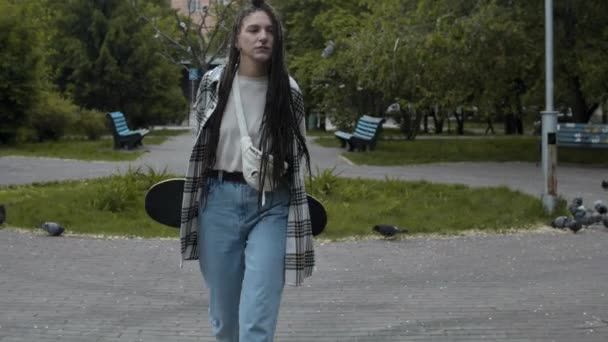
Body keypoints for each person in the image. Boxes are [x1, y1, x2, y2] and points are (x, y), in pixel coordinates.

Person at [179, 0, 315, 341]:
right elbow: (200, 140)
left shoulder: (289, 90)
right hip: (218, 201)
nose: (263, 37)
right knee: (225, 320)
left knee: (257, 317)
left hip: (271, 205)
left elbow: (295, 158)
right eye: (253, 30)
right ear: (237, 38)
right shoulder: (214, 84)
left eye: (270, 31)